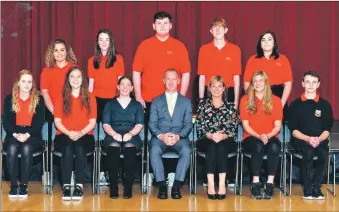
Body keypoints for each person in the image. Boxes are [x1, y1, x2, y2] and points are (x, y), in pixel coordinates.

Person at [132, 11, 191, 140]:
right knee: (149, 136)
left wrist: (181, 96)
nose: (162, 26)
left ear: (170, 26)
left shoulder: (179, 47)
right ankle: (149, 160)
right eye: (159, 23)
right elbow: (136, 72)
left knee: (174, 135)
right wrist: (138, 95)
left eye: (165, 23)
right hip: (148, 99)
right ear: (153, 26)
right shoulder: (144, 46)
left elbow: (186, 73)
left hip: (172, 99)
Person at [288, 71, 334, 200]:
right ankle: (307, 188)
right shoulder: (295, 105)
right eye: (307, 82)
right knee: (308, 151)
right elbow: (293, 129)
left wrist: (319, 139)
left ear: (318, 84)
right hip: (301, 139)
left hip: (320, 139)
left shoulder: (325, 105)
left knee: (323, 153)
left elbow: (327, 129)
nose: (310, 85)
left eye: (314, 82)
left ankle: (316, 187)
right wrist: (308, 138)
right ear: (303, 83)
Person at [53, 66, 97, 201]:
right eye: (72, 77)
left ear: (82, 79)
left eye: (78, 77)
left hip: (85, 135)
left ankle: (79, 185)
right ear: (68, 80)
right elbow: (57, 121)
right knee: (67, 148)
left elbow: (92, 122)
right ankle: (66, 186)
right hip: (63, 135)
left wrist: (81, 132)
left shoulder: (90, 97)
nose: (75, 80)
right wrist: (69, 132)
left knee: (79, 148)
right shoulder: (61, 97)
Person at [149, 68, 193, 200]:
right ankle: (162, 185)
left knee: (186, 150)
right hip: (160, 137)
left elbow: (188, 124)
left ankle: (176, 186)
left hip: (179, 137)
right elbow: (152, 123)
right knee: (154, 150)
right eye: (168, 78)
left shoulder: (186, 101)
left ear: (178, 81)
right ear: (163, 80)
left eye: (174, 79)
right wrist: (161, 136)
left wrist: (178, 136)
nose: (171, 82)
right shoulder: (156, 101)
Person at [239, 70, 283, 200]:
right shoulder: (245, 100)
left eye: (261, 80)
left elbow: (277, 126)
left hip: (271, 136)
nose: (258, 83)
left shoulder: (276, 100)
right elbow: (246, 126)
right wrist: (259, 136)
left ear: (266, 83)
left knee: (275, 147)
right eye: (255, 81)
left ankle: (270, 183)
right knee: (258, 146)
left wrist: (267, 136)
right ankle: (255, 183)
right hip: (251, 138)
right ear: (252, 84)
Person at [3, 70, 45, 198]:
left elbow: (39, 122)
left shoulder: (39, 99)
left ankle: (24, 186)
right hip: (13, 134)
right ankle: (14, 185)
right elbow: (6, 122)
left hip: (33, 135)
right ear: (18, 83)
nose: (26, 84)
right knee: (11, 148)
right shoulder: (9, 98)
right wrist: (15, 134)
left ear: (32, 84)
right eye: (23, 81)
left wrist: (27, 135)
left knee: (26, 148)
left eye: (29, 82)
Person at [196, 75, 239, 200]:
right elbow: (199, 126)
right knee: (211, 145)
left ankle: (221, 184)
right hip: (206, 139)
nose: (216, 89)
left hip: (226, 139)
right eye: (213, 86)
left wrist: (223, 136)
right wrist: (210, 135)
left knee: (220, 145)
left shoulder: (230, 107)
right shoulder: (202, 105)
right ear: (209, 88)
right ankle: (210, 184)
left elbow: (233, 128)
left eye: (219, 86)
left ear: (224, 88)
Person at [102, 76, 144, 199]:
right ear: (118, 87)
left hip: (132, 134)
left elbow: (139, 124)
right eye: (122, 84)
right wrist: (114, 134)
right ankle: (113, 187)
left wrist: (130, 134)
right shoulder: (110, 104)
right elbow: (106, 124)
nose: (125, 87)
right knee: (113, 147)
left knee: (129, 147)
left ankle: (128, 187)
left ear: (132, 88)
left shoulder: (137, 105)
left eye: (128, 85)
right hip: (112, 134)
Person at [243, 31, 292, 111]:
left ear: (274, 43)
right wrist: (252, 101)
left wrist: (281, 104)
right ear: (260, 44)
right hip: (258, 94)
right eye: (263, 40)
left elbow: (288, 84)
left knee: (277, 122)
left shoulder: (283, 59)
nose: (266, 42)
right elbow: (247, 83)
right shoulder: (252, 60)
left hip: (277, 95)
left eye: (269, 39)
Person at [198, 17, 241, 108]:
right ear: (210, 31)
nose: (217, 30)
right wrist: (201, 100)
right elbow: (202, 77)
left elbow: (236, 78)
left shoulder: (235, 50)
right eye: (214, 28)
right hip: (210, 92)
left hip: (228, 93)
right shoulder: (204, 50)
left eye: (220, 27)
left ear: (226, 30)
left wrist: (236, 102)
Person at [88, 29, 124, 123]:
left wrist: (122, 100)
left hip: (113, 99)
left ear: (111, 42)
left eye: (107, 39)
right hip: (96, 100)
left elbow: (121, 82)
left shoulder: (118, 59)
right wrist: (89, 102)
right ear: (97, 42)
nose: (104, 42)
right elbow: (90, 85)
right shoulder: (91, 60)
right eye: (101, 39)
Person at [40, 39, 77, 125]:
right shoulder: (46, 71)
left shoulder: (74, 68)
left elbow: (79, 92)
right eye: (56, 50)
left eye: (62, 50)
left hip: (72, 110)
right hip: (52, 110)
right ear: (51, 53)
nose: (59, 53)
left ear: (67, 51)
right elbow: (45, 93)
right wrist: (54, 111)